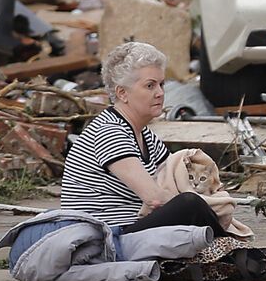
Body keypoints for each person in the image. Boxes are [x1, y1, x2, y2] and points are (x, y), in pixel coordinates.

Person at [61, 41, 232, 239]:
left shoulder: (146, 136)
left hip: (132, 228)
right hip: (104, 238)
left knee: (197, 206)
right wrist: (202, 206)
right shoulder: (109, 132)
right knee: (189, 205)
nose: (160, 93)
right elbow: (155, 198)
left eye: (161, 84)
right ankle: (238, 251)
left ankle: (246, 254)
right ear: (122, 93)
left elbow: (174, 180)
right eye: (150, 85)